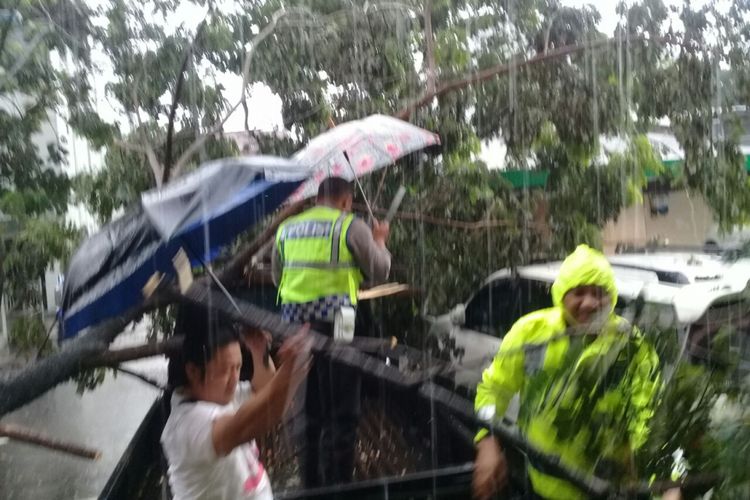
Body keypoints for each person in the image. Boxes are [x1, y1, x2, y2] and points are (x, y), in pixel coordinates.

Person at [472, 245, 662, 500]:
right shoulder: (531, 332)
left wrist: (655, 476)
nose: (591, 303)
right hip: (541, 489)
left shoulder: (632, 346)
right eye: (579, 292)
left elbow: (650, 416)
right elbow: (493, 389)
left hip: (607, 491)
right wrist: (488, 440)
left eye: (600, 292)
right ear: (562, 296)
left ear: (612, 297)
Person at [272, 176, 391, 487]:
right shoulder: (350, 225)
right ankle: (338, 486)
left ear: (316, 198)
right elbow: (380, 271)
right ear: (346, 201)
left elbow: (277, 277)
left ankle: (311, 485)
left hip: (296, 328)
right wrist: (379, 240)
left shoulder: (287, 229)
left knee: (307, 409)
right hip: (339, 326)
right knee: (342, 411)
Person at [161, 306, 311, 500]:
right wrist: (291, 369)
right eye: (224, 370)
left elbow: (262, 391)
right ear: (193, 371)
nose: (234, 380)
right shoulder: (187, 425)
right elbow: (259, 417)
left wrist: (259, 351)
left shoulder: (217, 394)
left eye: (238, 367)